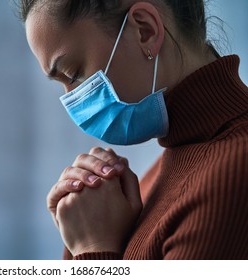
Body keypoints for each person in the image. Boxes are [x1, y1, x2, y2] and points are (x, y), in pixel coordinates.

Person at [19, 0, 248, 259]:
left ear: (145, 31)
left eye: (73, 74)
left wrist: (92, 248)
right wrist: (83, 231)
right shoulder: (159, 177)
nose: (73, 100)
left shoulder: (233, 176)